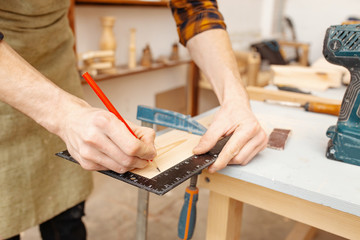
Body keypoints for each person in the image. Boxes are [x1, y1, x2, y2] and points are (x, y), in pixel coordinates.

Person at [0, 0, 267, 239]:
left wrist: (235, 98)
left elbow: (195, 8)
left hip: (56, 62)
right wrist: (62, 113)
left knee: (67, 216)